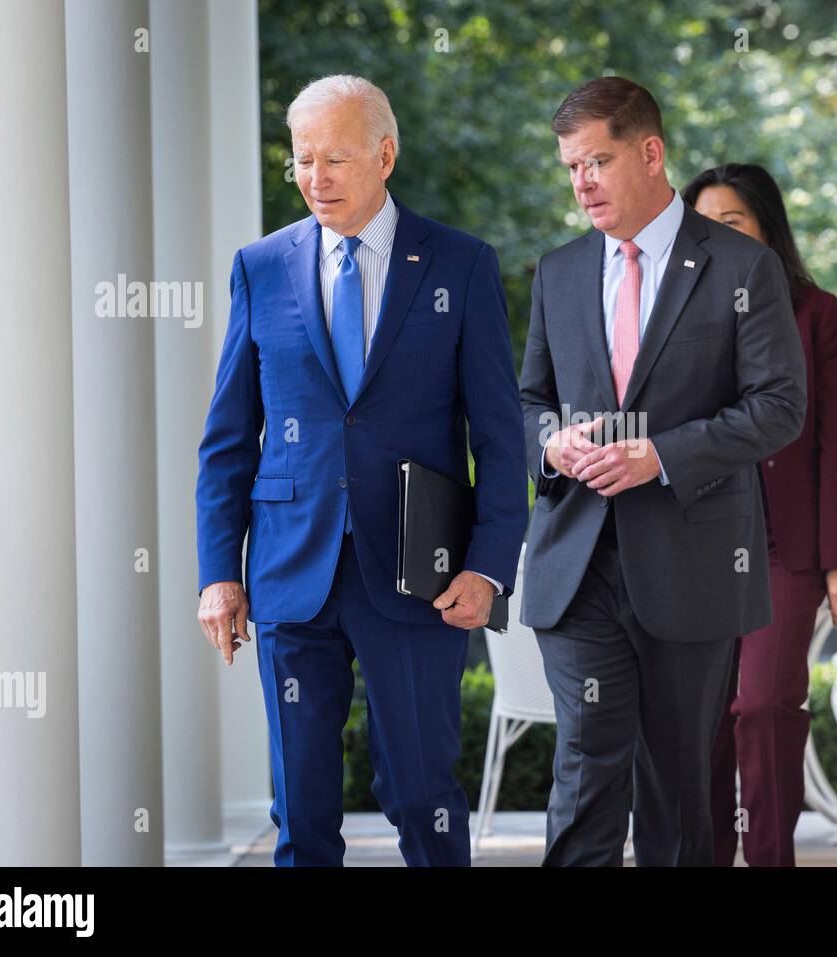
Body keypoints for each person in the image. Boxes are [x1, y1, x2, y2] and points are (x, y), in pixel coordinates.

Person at [195, 75, 528, 867]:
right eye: (302, 160)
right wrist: (219, 572)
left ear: (386, 154)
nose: (316, 178)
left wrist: (489, 565)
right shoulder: (260, 266)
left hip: (419, 575)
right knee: (300, 808)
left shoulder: (461, 265)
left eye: (335, 158)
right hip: (287, 569)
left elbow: (500, 436)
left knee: (419, 794)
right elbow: (228, 438)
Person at [518, 77, 807, 866]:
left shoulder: (743, 269)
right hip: (577, 562)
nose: (581, 183)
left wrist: (662, 456)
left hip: (694, 563)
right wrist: (552, 445)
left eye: (597, 162)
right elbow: (528, 401)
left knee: (679, 790)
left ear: (650, 152)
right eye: (571, 167)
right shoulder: (560, 271)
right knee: (585, 771)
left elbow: (780, 406)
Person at [683, 163, 837, 867]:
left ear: (766, 227)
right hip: (696, 546)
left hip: (785, 548)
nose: (717, 237)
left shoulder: (815, 312)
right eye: (704, 225)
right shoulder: (678, 310)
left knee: (762, 703)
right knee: (704, 719)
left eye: (732, 222)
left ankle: (770, 857)